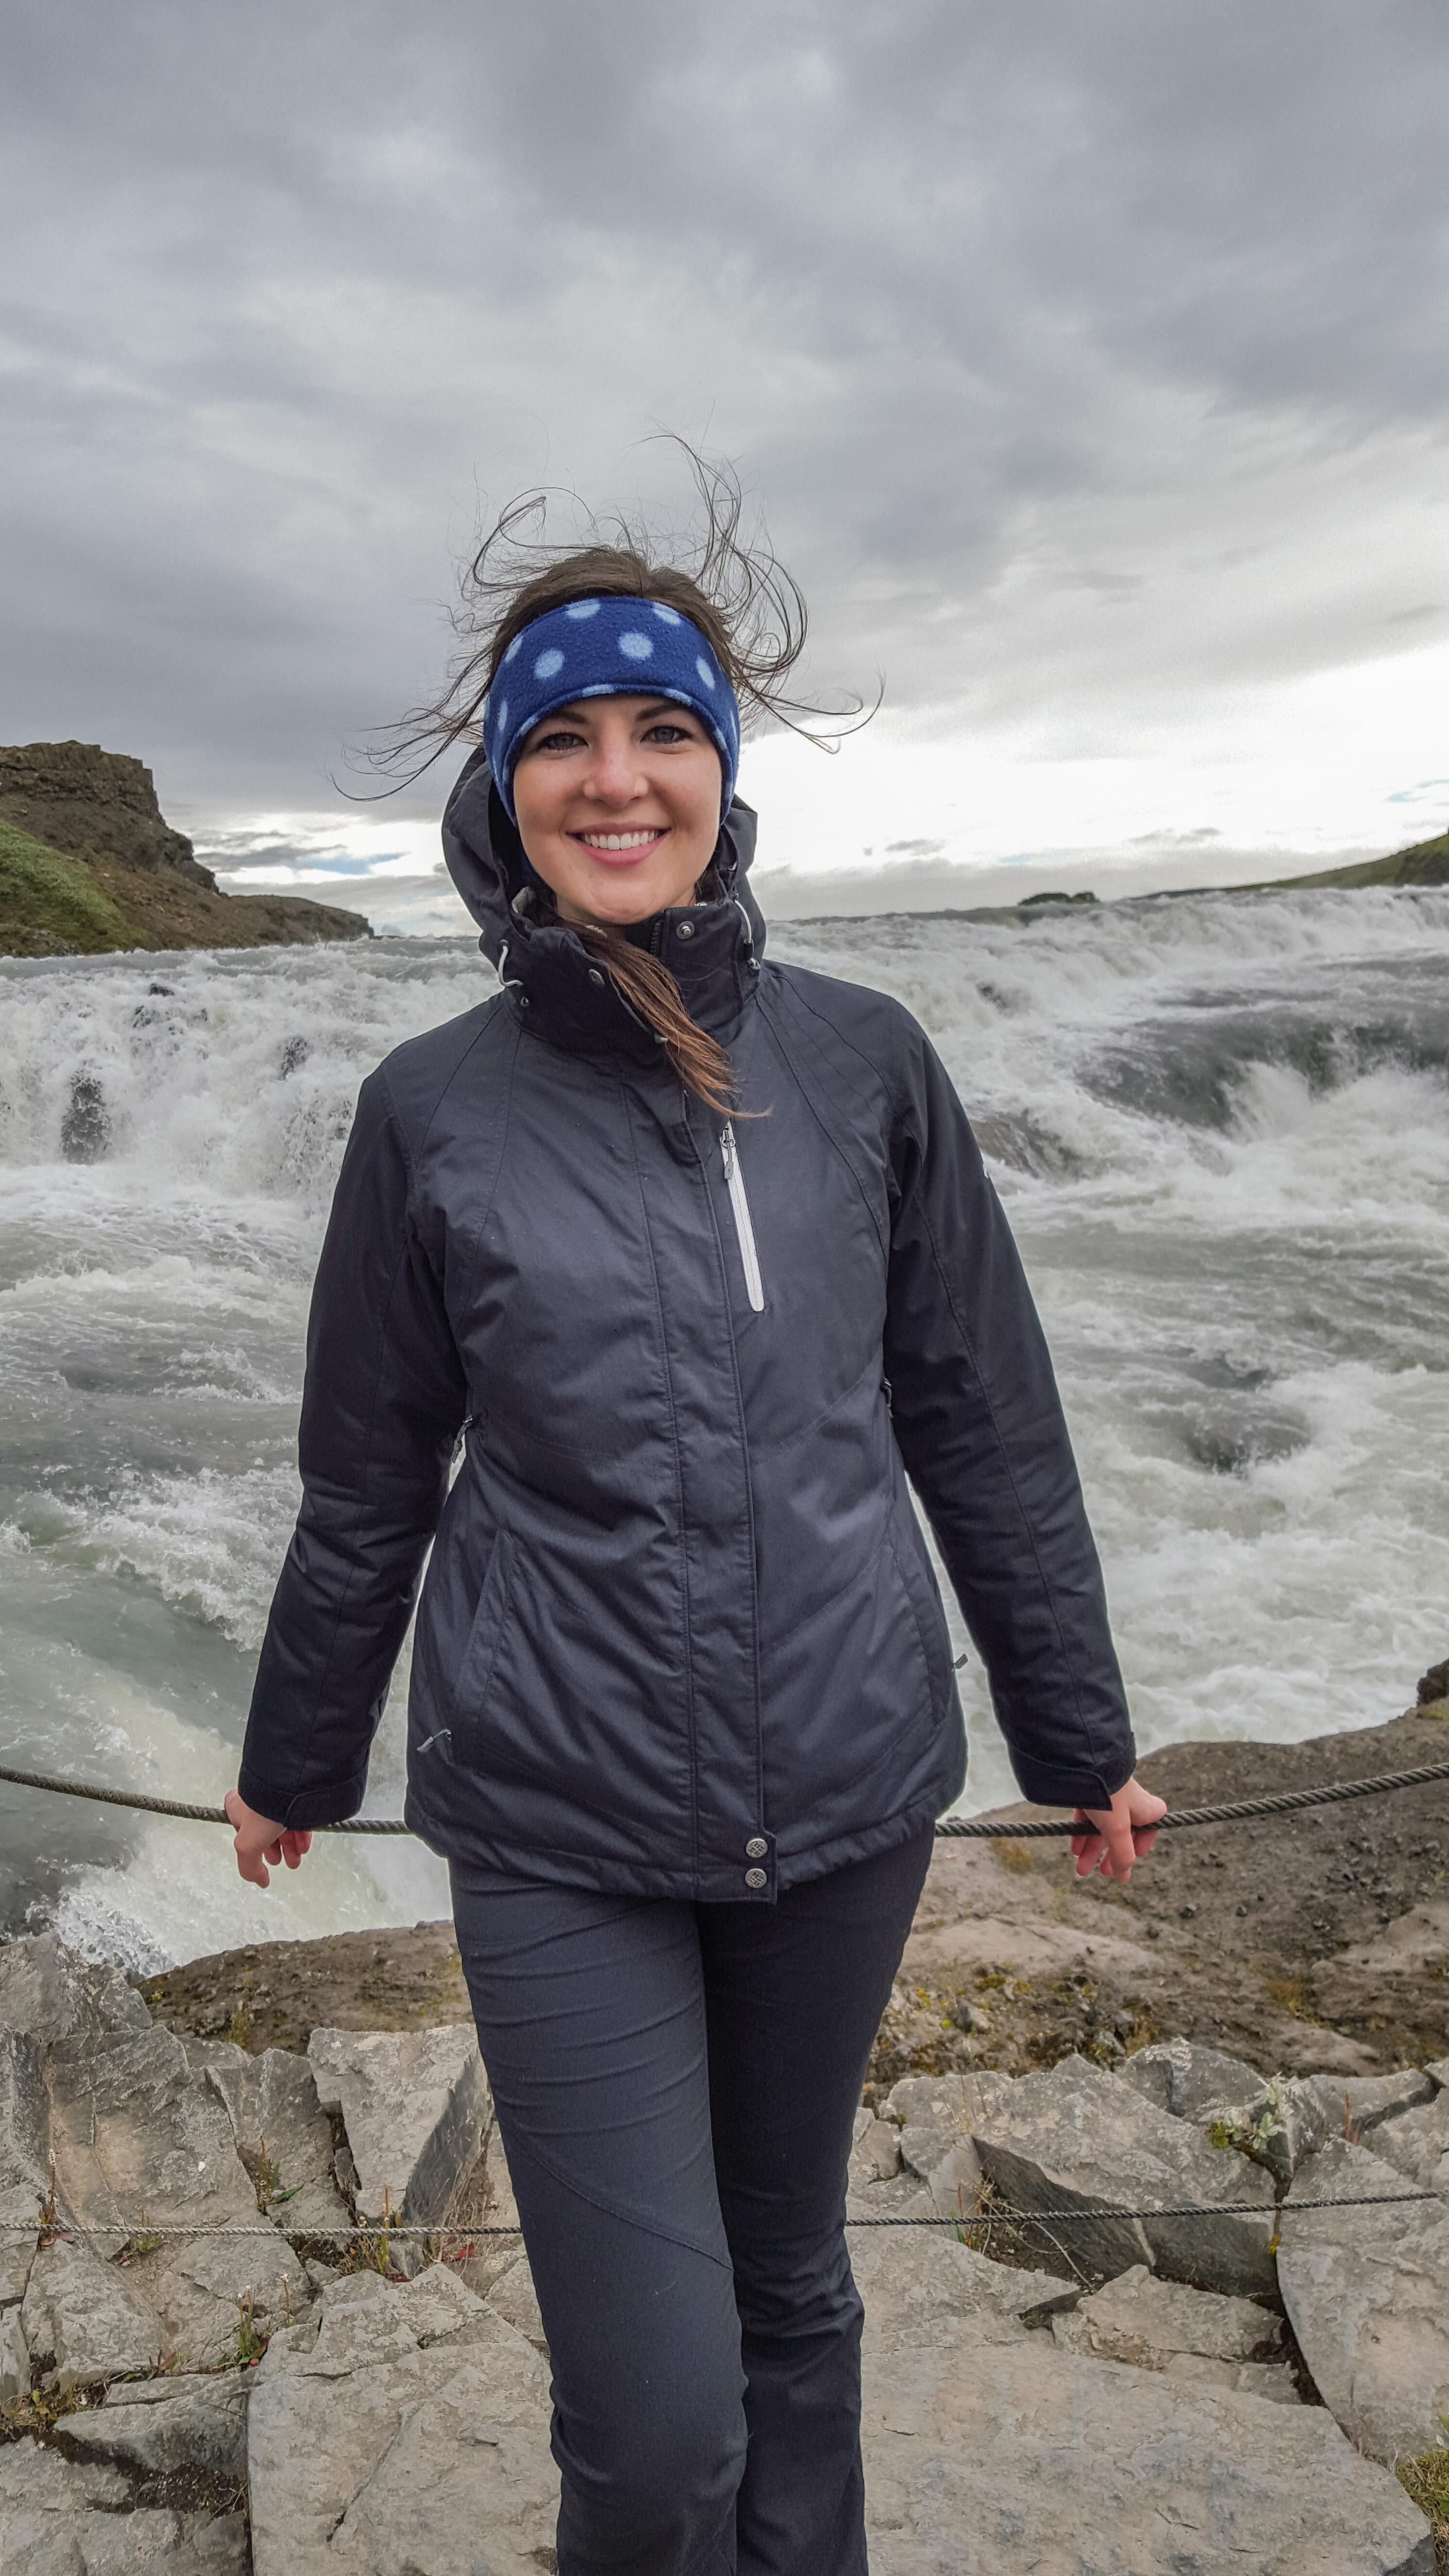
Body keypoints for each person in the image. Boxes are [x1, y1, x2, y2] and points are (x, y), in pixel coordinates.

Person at [226, 480, 1164, 2576]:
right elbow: (369, 1469)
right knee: (654, 2430)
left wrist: (1077, 1733)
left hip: (846, 1786)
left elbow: (982, 1418)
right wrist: (297, 1752)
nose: (615, 777)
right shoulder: (430, 1109)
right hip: (557, 1814)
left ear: (721, 776)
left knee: (795, 2286)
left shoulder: (864, 1064)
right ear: (506, 788)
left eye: (662, 729)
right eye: (562, 737)